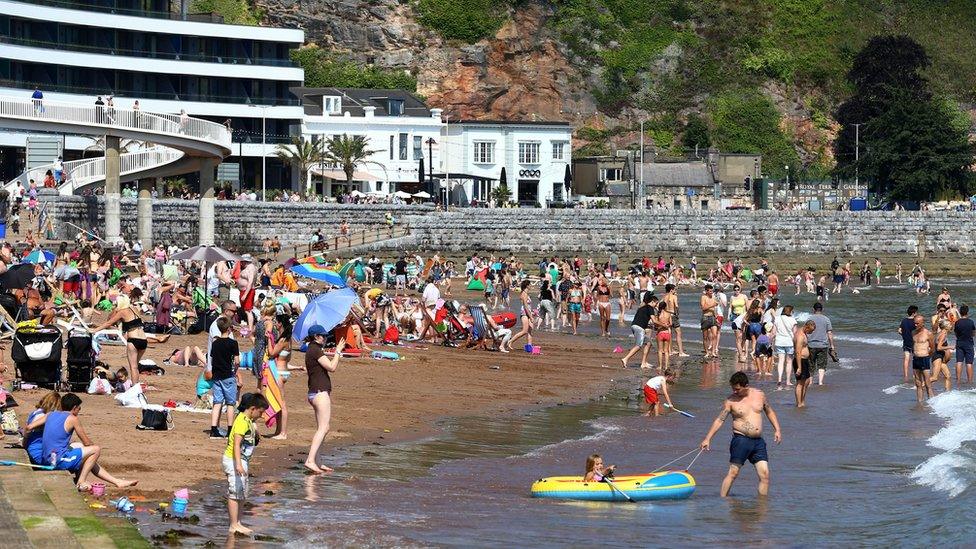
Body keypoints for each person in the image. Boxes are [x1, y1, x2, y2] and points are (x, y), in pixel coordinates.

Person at [700, 372, 782, 497]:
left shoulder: (760, 395)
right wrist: (707, 438)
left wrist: (777, 429)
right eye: (733, 388)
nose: (734, 391)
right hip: (741, 441)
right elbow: (719, 420)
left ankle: (761, 507)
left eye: (737, 389)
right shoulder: (730, 401)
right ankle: (722, 501)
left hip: (758, 442)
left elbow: (769, 411)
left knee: (765, 476)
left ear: (746, 386)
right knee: (733, 473)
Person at [41, 393, 137, 491]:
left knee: (79, 446)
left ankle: (117, 481)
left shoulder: (51, 415)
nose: (79, 411)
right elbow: (87, 442)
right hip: (57, 461)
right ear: (74, 408)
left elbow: (29, 427)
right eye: (79, 408)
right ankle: (81, 481)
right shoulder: (73, 419)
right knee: (95, 450)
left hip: (46, 458)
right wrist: (92, 450)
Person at [224, 392, 269, 536]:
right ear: (253, 408)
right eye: (260, 412)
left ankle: (238, 522)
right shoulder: (242, 421)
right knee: (235, 492)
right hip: (234, 460)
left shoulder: (248, 420)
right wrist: (238, 464)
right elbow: (236, 444)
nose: (261, 416)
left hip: (241, 461)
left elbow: (252, 428)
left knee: (241, 492)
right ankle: (233, 524)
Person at [304, 325, 345, 473]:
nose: (326, 338)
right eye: (323, 336)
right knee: (324, 428)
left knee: (322, 428)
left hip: (315, 392)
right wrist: (338, 352)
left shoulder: (312, 349)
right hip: (320, 393)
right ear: (316, 337)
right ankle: (310, 460)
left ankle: (317, 461)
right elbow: (332, 367)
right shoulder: (315, 350)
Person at [208, 316, 241, 439]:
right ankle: (230, 430)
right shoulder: (233, 343)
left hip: (217, 376)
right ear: (229, 329)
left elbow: (212, 358)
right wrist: (235, 371)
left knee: (217, 402)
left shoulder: (215, 343)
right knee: (230, 403)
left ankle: (213, 429)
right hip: (228, 375)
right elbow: (237, 361)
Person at [23, 391, 61, 465]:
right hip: (38, 451)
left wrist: (24, 443)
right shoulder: (43, 416)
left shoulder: (35, 412)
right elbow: (28, 428)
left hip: (32, 446)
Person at [622, 292, 656, 369]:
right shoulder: (649, 307)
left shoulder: (641, 307)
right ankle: (625, 359)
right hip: (639, 327)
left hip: (635, 326)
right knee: (639, 345)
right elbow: (653, 320)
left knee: (648, 343)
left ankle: (644, 362)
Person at [807, 302, 835, 386]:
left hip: (811, 344)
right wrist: (832, 345)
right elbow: (829, 333)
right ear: (822, 309)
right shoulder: (826, 319)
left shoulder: (809, 319)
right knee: (822, 365)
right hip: (823, 345)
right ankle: (820, 382)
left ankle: (810, 382)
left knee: (811, 364)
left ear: (813, 309)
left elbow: (806, 332)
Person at [911, 314, 935, 403]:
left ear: (922, 323)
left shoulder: (928, 334)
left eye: (917, 323)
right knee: (918, 384)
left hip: (924, 359)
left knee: (927, 383)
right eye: (914, 323)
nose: (915, 325)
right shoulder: (913, 332)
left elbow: (932, 348)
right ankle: (920, 403)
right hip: (915, 360)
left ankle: (933, 403)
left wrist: (927, 356)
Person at [773, 305, 797, 389]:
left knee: (780, 361)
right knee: (789, 362)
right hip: (789, 342)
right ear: (790, 311)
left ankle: (779, 379)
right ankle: (787, 381)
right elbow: (795, 333)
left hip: (779, 341)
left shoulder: (777, 319)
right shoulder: (793, 320)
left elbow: (774, 332)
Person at [793, 320, 816, 407]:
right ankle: (799, 403)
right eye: (811, 330)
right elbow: (798, 352)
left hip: (804, 361)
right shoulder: (800, 336)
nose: (811, 332)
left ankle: (802, 401)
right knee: (800, 383)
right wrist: (799, 367)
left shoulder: (803, 333)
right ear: (806, 327)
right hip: (800, 361)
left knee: (807, 381)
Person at [663, 283, 688, 357]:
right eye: (674, 290)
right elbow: (676, 306)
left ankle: (670, 351)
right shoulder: (674, 296)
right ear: (671, 290)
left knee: (669, 333)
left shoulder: (665, 297)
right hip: (673, 315)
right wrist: (677, 314)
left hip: (667, 315)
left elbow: (660, 305)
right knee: (678, 333)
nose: (675, 291)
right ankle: (681, 352)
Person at [930, 320, 953, 393]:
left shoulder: (940, 333)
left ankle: (947, 394)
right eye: (949, 324)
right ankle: (920, 386)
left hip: (940, 357)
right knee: (934, 378)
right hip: (937, 357)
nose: (951, 326)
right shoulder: (943, 334)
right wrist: (950, 347)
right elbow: (939, 348)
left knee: (948, 376)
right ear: (946, 326)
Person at [954, 304, 975, 385]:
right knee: (969, 363)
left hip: (959, 343)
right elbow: (973, 333)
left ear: (960, 312)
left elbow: (955, 333)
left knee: (959, 362)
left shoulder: (957, 322)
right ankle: (969, 381)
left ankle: (958, 380)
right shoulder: (971, 322)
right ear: (967, 312)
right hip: (969, 343)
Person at [899, 305, 919, 382]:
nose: (917, 313)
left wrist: (904, 335)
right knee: (915, 359)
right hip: (914, 343)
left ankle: (906, 376)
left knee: (906, 359)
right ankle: (914, 375)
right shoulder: (915, 321)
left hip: (906, 342)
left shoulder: (904, 320)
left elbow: (899, 331)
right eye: (916, 312)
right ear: (914, 313)